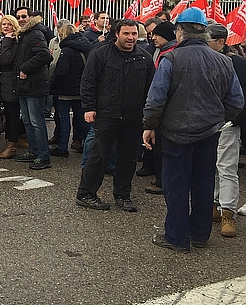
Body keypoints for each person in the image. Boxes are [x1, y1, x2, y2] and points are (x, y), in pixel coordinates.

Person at [144, 8, 243, 252]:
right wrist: (218, 119)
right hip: (209, 133)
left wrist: (149, 126)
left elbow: (156, 100)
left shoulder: (171, 59)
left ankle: (177, 237)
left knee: (175, 185)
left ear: (180, 31)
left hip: (175, 133)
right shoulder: (223, 60)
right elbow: (236, 102)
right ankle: (200, 235)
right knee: (203, 182)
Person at [76, 19, 153, 211]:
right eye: (126, 34)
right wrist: (89, 108)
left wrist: (149, 116)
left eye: (134, 34)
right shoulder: (100, 54)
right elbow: (88, 82)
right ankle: (86, 193)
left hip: (133, 117)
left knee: (128, 158)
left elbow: (150, 89)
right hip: (106, 115)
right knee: (98, 156)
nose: (131, 38)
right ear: (116, 34)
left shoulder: (144, 58)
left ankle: (122, 195)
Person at [207, 22, 246, 238]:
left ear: (221, 42)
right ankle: (213, 204)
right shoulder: (204, 60)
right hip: (206, 123)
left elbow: (242, 96)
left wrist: (233, 119)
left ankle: (228, 212)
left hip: (228, 124)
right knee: (210, 166)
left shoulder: (238, 63)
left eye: (209, 39)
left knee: (227, 168)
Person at [12, 8, 54, 170]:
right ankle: (34, 151)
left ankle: (43, 156)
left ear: (31, 17)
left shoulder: (35, 33)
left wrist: (25, 68)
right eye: (19, 17)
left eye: (24, 16)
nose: (21, 19)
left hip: (34, 85)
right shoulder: (24, 34)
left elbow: (44, 55)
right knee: (28, 121)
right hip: (24, 85)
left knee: (37, 122)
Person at [137, 20, 177, 186]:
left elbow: (160, 87)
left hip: (165, 108)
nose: (152, 38)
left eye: (156, 35)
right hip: (161, 106)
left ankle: (162, 181)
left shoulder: (171, 55)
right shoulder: (160, 51)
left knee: (161, 146)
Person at [49, 22, 91, 157]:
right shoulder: (86, 47)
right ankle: (89, 146)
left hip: (65, 90)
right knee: (82, 119)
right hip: (80, 89)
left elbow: (61, 72)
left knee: (63, 118)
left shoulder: (66, 50)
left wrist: (53, 85)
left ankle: (62, 147)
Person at [0, 15, 23, 159]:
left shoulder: (13, 41)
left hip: (11, 83)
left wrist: (7, 39)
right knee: (8, 114)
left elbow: (7, 59)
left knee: (12, 115)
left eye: (9, 24)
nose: (6, 27)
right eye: (3, 24)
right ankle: (14, 141)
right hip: (3, 82)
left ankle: (11, 146)